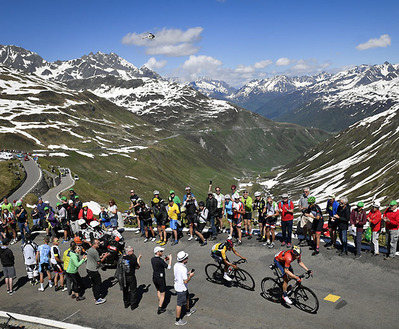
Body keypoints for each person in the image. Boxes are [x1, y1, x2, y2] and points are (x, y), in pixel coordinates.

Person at [174, 251, 196, 326]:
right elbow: (185, 281)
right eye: (186, 258)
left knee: (187, 298)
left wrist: (187, 273)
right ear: (184, 260)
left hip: (179, 286)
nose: (188, 258)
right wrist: (190, 276)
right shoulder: (183, 269)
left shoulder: (176, 265)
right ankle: (177, 320)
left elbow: (179, 274)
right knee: (179, 304)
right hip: (181, 288)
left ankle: (188, 311)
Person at [116, 246, 141, 310]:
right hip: (131, 276)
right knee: (133, 290)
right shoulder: (132, 259)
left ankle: (126, 303)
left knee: (125, 290)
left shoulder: (121, 258)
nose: (133, 252)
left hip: (122, 277)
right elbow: (137, 267)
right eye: (132, 251)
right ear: (129, 252)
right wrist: (138, 259)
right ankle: (133, 305)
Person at [86, 239, 110, 304]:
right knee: (97, 284)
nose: (99, 244)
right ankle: (97, 299)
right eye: (98, 243)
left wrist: (100, 256)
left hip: (89, 269)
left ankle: (95, 296)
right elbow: (99, 262)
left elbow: (95, 258)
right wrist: (105, 257)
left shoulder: (90, 249)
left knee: (94, 284)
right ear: (94, 244)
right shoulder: (95, 252)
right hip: (93, 270)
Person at [151, 246, 172, 314]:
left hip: (154, 277)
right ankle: (160, 308)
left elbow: (160, 262)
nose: (162, 252)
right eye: (161, 251)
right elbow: (168, 267)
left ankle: (160, 301)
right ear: (157, 252)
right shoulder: (160, 261)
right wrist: (170, 259)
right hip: (160, 278)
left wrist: (165, 259)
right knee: (163, 293)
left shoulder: (153, 259)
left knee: (158, 290)